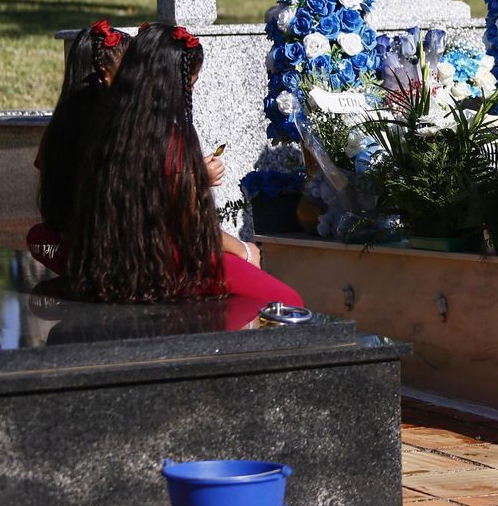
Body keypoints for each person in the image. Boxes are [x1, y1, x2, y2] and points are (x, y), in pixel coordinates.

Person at [51, 23, 300, 307]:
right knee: (289, 300)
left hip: (107, 263)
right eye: (190, 85)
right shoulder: (169, 140)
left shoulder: (105, 126)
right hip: (163, 266)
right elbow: (194, 228)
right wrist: (245, 250)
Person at [29, 20, 133, 258]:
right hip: (112, 250)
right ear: (105, 76)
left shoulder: (59, 127)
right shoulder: (115, 129)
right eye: (130, 67)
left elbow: (41, 165)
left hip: (66, 245)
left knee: (38, 237)